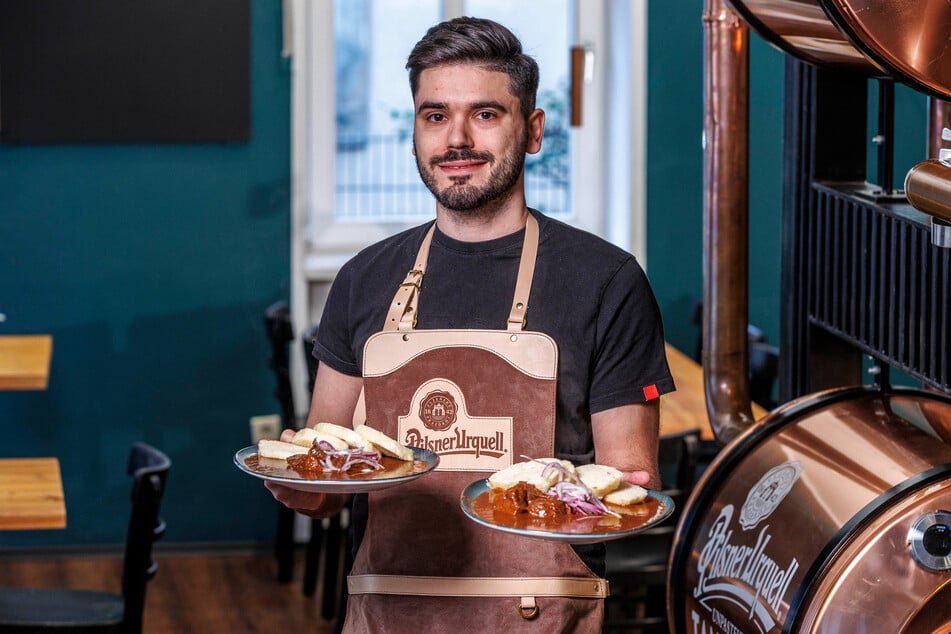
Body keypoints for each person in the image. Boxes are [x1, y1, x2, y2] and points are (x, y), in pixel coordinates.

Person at [267, 16, 674, 632]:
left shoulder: (607, 282)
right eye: (435, 116)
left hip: (539, 616)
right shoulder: (364, 280)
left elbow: (625, 485)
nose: (456, 139)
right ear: (414, 134)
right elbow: (326, 480)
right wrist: (298, 486)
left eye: (485, 114)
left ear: (532, 131)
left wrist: (562, 499)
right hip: (386, 612)